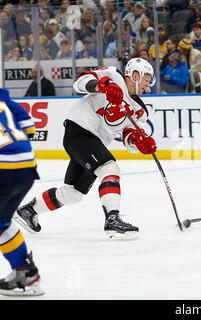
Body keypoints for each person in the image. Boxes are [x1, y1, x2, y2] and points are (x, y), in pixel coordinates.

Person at [15, 58, 157, 240]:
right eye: (146, 79)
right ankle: (112, 220)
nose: (148, 85)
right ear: (135, 75)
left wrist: (138, 143)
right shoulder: (113, 76)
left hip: (94, 143)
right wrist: (101, 86)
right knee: (110, 168)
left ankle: (28, 211)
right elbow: (79, 82)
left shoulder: (140, 110)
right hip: (80, 129)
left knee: (72, 194)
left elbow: (128, 135)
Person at [0, 88, 43, 296]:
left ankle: (24, 272)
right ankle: (25, 272)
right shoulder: (5, 101)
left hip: (3, 169)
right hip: (26, 167)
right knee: (2, 222)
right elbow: (30, 128)